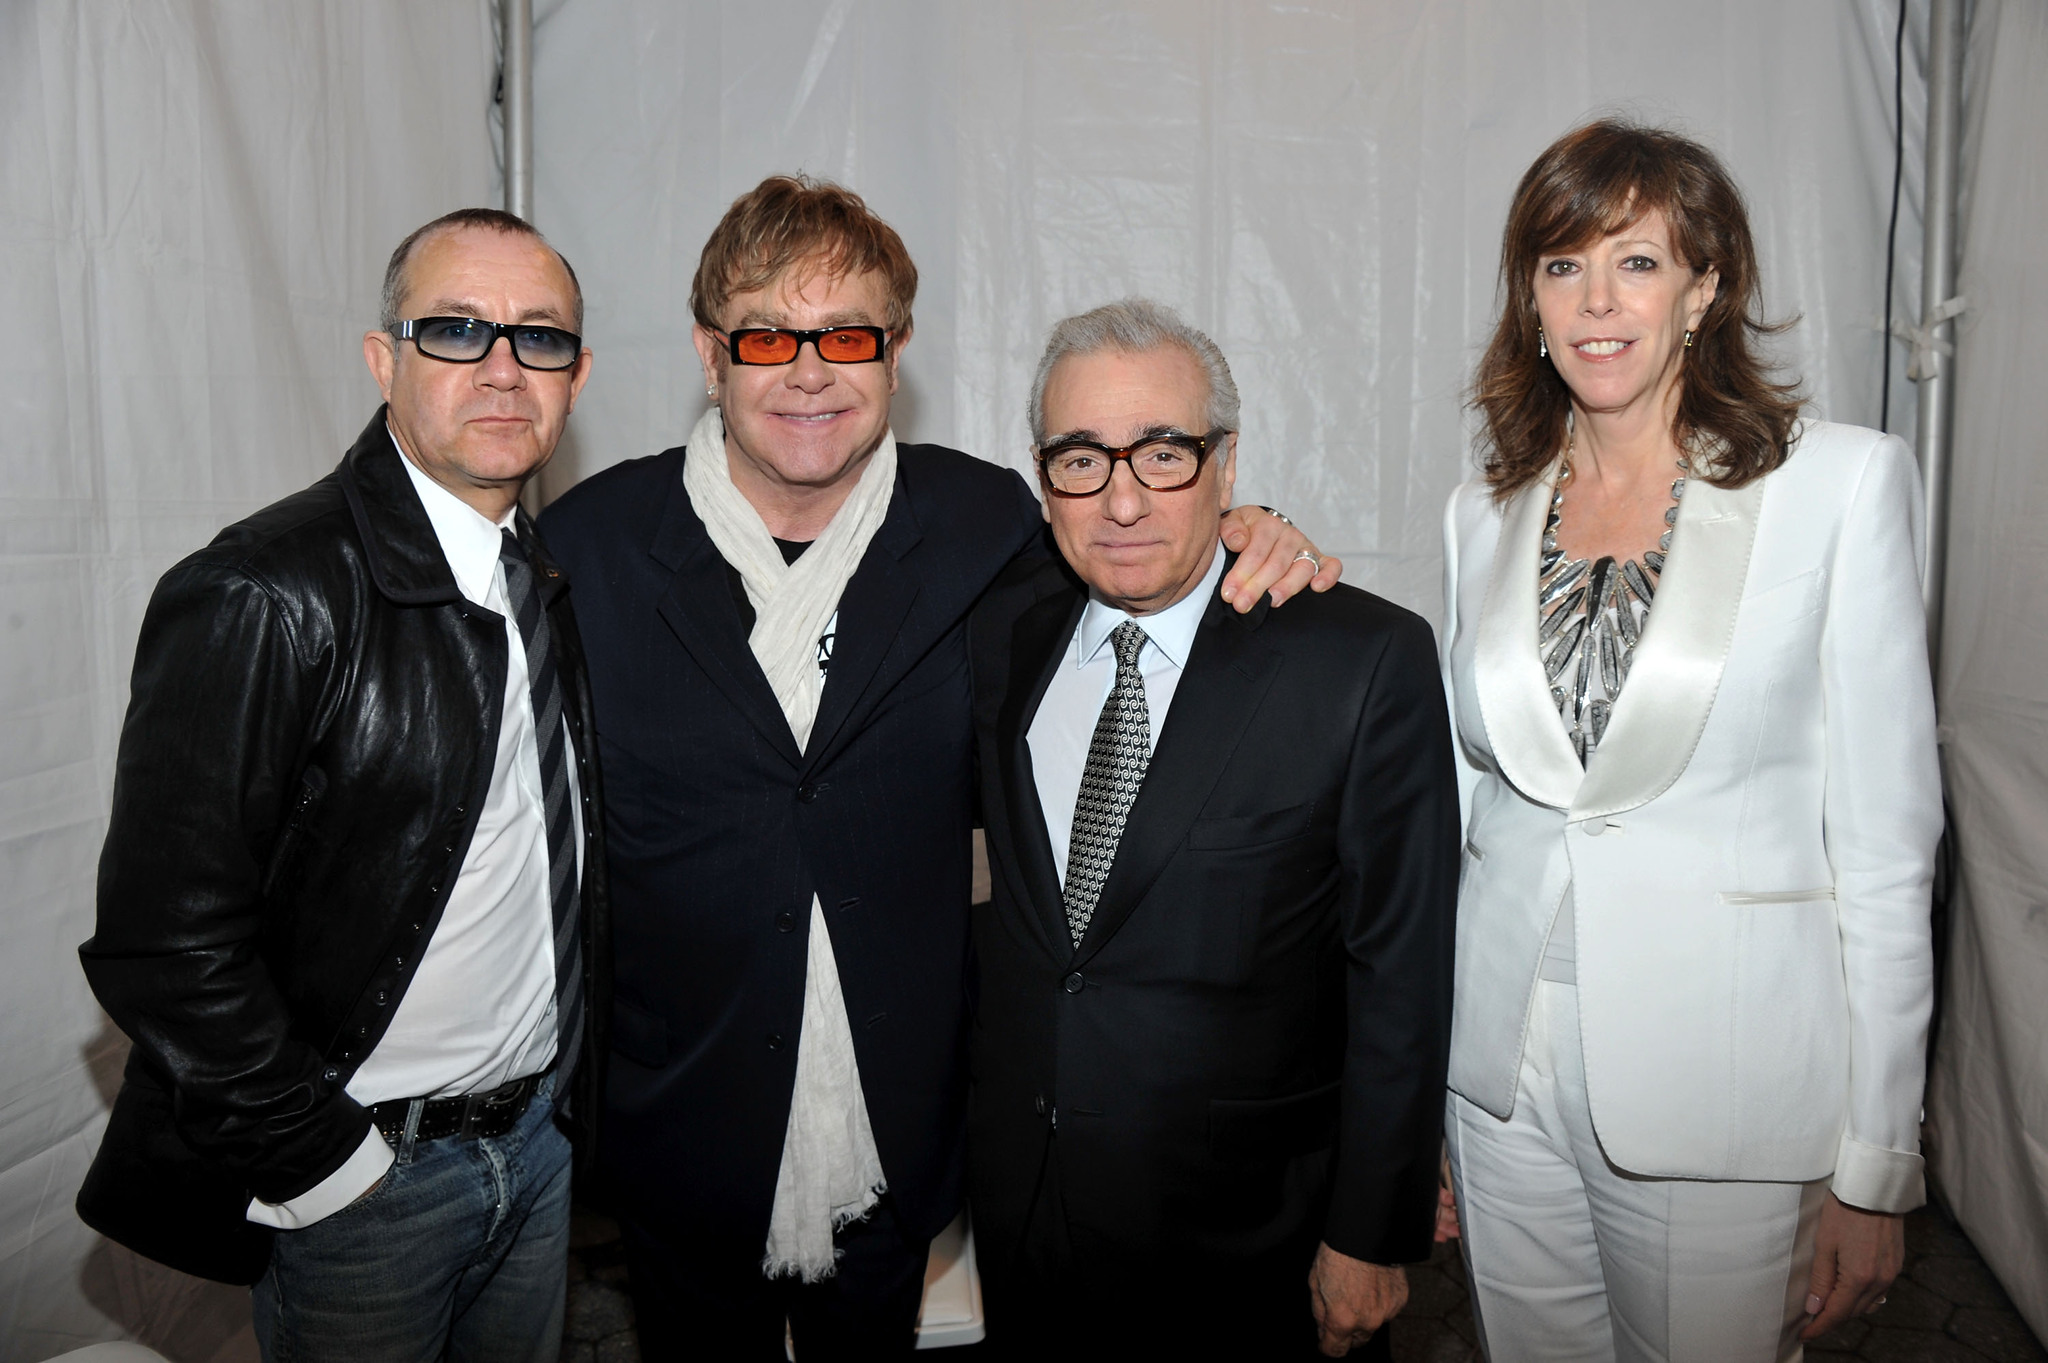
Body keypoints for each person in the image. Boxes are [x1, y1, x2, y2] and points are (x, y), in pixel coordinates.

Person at [537, 176, 1337, 1359]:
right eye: (768, 336)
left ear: (895, 355)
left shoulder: (984, 526)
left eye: (848, 335)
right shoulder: (588, 546)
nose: (810, 371)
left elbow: (1132, 560)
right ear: (711, 355)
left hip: (902, 1110)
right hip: (677, 1111)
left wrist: (1242, 523)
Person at [1439, 119, 1940, 1360]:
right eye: (1561, 266)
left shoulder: (1838, 484)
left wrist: (1874, 1165)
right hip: (1496, 1082)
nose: (1595, 302)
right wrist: (1419, 1101)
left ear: (1705, 288)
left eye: (1637, 262)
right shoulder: (1483, 510)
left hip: (1725, 1082)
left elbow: (1884, 849)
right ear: (1528, 297)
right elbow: (1464, 815)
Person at [75, 208, 610, 1363]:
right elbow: (162, 947)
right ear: (385, 360)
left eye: (540, 337)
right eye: (458, 330)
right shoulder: (264, 593)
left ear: (578, 375)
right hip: (370, 1181)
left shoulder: (543, 583)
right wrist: (328, 1163)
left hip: (537, 1149)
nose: (503, 368)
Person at [964, 299, 1459, 1358]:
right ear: (1042, 474)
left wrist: (1371, 1234)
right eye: (1081, 458)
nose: (1123, 498)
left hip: (1252, 1241)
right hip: (1021, 1214)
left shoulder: (1361, 663)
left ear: (1225, 466)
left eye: (1164, 452)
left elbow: (1401, 971)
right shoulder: (1000, 632)